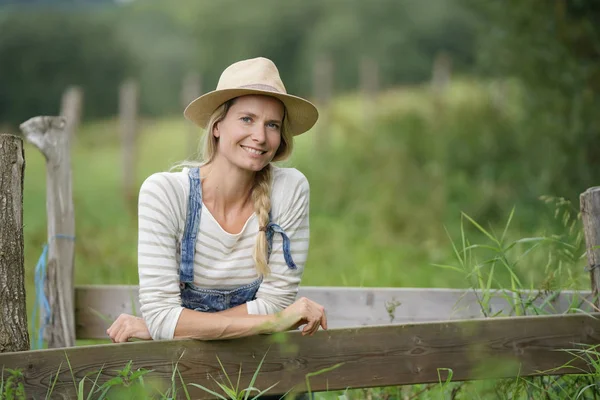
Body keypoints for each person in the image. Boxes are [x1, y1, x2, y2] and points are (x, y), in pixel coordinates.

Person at [107, 57, 327, 344]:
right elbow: (162, 316)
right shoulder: (166, 194)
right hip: (181, 371)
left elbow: (276, 303)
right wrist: (273, 322)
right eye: (247, 119)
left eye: (272, 125)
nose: (260, 136)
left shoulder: (289, 190)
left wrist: (170, 327)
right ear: (217, 126)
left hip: (263, 367)